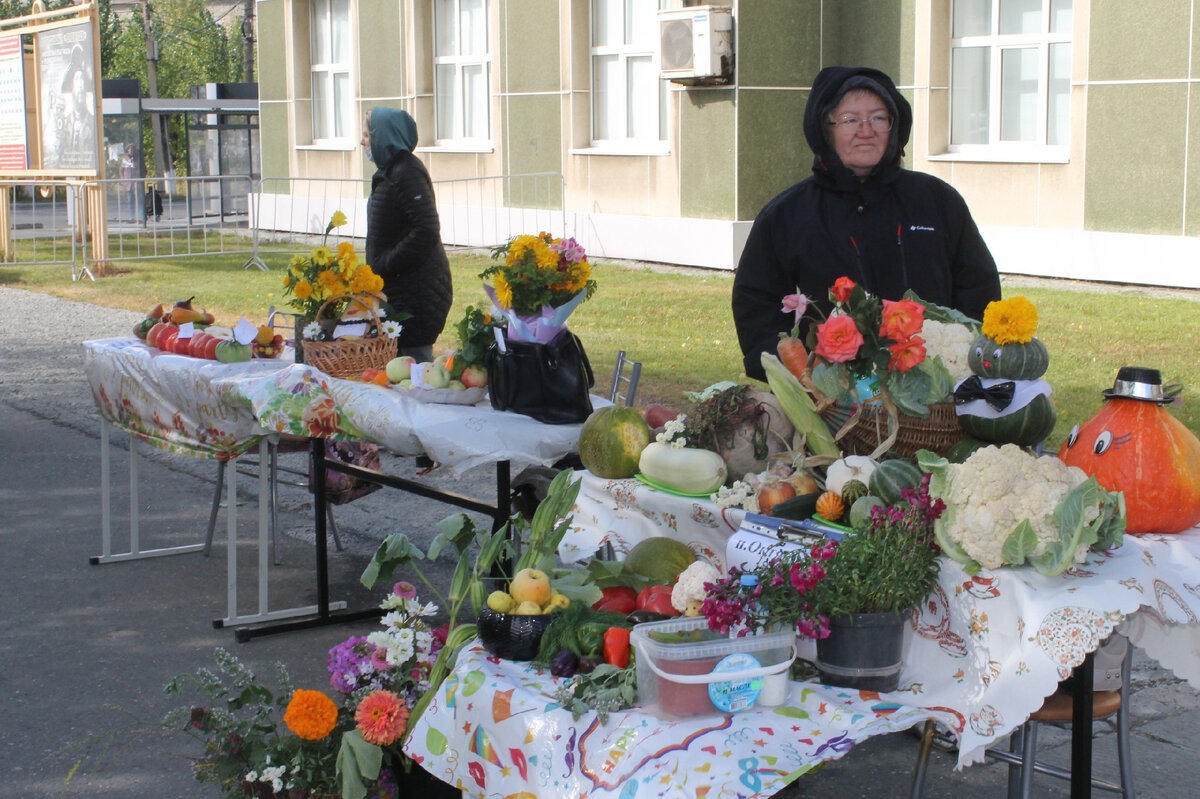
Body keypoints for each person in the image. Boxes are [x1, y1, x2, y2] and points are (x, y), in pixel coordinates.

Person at [732, 66, 1001, 382]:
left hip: (936, 395)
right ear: (825, 129)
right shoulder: (787, 215)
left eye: (878, 118)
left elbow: (978, 289)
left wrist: (964, 361)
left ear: (894, 127)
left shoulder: (936, 200)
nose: (866, 130)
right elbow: (757, 305)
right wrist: (804, 374)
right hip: (834, 402)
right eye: (850, 120)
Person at [361, 107, 452, 364]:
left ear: (385, 137)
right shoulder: (391, 171)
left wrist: (384, 264)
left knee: (413, 373)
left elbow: (426, 229)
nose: (362, 142)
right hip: (400, 292)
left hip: (416, 296)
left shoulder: (406, 173)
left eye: (367, 135)